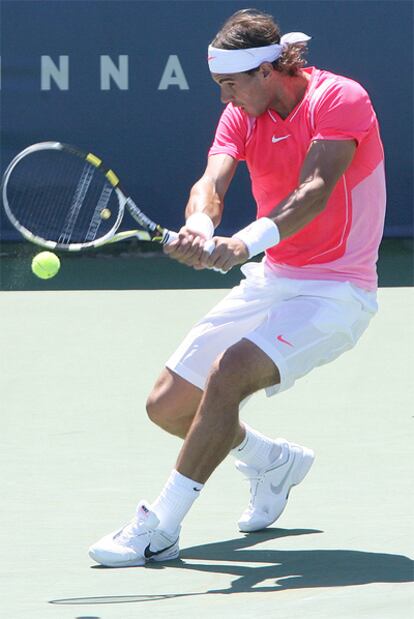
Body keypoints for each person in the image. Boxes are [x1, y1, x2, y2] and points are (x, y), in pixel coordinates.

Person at [89, 8, 386, 567]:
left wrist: (241, 244)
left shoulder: (340, 99)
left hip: (337, 292)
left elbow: (316, 189)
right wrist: (201, 226)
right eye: (219, 86)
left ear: (267, 72)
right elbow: (213, 180)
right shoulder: (242, 115)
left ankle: (160, 529)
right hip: (275, 279)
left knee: (227, 375)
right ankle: (270, 459)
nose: (225, 98)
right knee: (169, 404)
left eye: (231, 85)